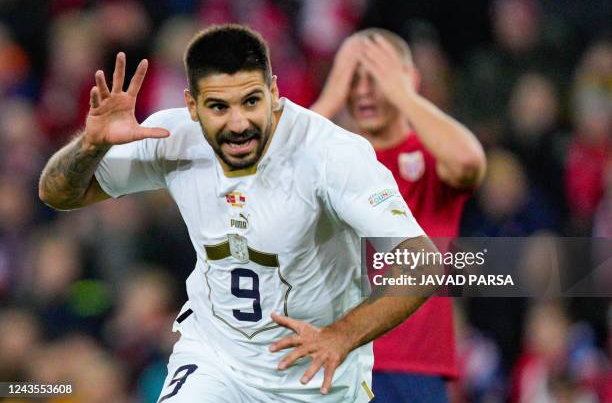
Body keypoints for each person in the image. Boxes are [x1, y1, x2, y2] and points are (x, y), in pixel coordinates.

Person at [38, 24, 440, 402]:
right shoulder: (170, 137)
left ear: (274, 92)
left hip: (314, 376)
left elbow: (424, 263)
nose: (238, 122)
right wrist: (89, 147)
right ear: (192, 107)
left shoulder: (331, 155)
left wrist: (341, 335)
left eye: (251, 101)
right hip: (216, 359)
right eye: (218, 106)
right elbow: (59, 193)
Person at [311, 28, 486, 402]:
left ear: (407, 79)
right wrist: (330, 96)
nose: (361, 91)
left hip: (414, 365)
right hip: (340, 358)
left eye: (374, 78)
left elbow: (468, 161)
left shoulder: (430, 156)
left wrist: (404, 95)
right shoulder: (334, 159)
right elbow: (273, 181)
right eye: (351, 79)